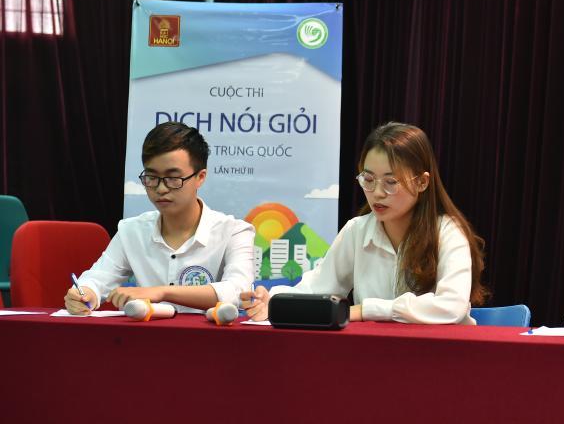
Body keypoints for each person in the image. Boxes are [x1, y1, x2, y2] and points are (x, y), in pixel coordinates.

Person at [241, 122, 487, 324]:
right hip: (374, 353)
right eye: (368, 180)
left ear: (422, 182)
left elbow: (451, 306)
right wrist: (272, 301)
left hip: (439, 355)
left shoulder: (447, 232)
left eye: (391, 182)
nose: (377, 193)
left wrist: (366, 310)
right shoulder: (357, 231)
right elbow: (316, 288)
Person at [64, 122, 255, 314]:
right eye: (152, 177)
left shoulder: (234, 231)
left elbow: (239, 291)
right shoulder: (131, 231)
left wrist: (161, 292)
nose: (161, 188)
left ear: (200, 177)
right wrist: (85, 294)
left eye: (173, 178)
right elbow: (98, 278)